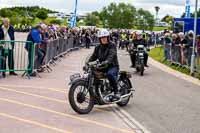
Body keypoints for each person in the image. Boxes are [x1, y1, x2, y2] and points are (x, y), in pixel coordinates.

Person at [88, 29, 120, 100]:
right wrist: (88, 63)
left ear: (108, 37)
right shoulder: (98, 47)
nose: (103, 39)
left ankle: (116, 92)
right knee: (94, 73)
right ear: (99, 39)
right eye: (102, 38)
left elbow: (111, 55)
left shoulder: (112, 45)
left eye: (105, 37)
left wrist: (107, 61)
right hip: (102, 66)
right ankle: (97, 93)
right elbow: (93, 57)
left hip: (112, 66)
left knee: (109, 74)